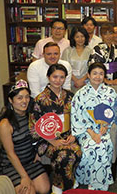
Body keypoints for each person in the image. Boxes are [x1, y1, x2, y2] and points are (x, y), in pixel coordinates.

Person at [29, 64, 82, 194]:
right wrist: (52, 141)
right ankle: (62, 186)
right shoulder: (40, 99)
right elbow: (34, 124)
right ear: (48, 77)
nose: (58, 80)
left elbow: (78, 118)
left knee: (77, 152)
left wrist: (73, 135)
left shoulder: (70, 96)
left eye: (62, 77)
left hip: (68, 136)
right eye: (55, 77)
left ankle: (62, 182)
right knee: (64, 156)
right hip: (47, 139)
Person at [0, 80, 50, 194]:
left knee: (44, 189)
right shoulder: (5, 124)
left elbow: (39, 136)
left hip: (30, 160)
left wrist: (37, 152)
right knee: (29, 192)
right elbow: (10, 154)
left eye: (27, 97)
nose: (24, 101)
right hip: (11, 164)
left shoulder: (31, 115)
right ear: (11, 100)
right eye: (19, 98)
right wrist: (24, 176)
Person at [71, 62, 117, 191]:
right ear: (88, 75)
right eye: (94, 73)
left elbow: (114, 112)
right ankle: (97, 182)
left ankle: (94, 182)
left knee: (103, 144)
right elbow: (77, 116)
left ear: (104, 76)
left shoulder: (110, 92)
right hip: (86, 131)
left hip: (104, 130)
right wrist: (92, 133)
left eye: (101, 74)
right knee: (94, 145)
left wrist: (106, 125)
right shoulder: (80, 94)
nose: (98, 76)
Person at [88, 24, 117, 92]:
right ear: (101, 35)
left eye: (111, 33)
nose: (108, 36)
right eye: (105, 34)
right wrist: (105, 80)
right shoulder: (96, 50)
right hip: (100, 81)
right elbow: (92, 66)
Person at [61, 26, 92, 92]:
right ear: (73, 38)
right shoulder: (67, 51)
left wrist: (82, 80)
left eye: (82, 36)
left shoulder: (91, 51)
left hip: (86, 82)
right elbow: (64, 68)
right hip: (70, 82)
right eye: (77, 37)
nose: (80, 39)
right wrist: (75, 80)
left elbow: (92, 68)